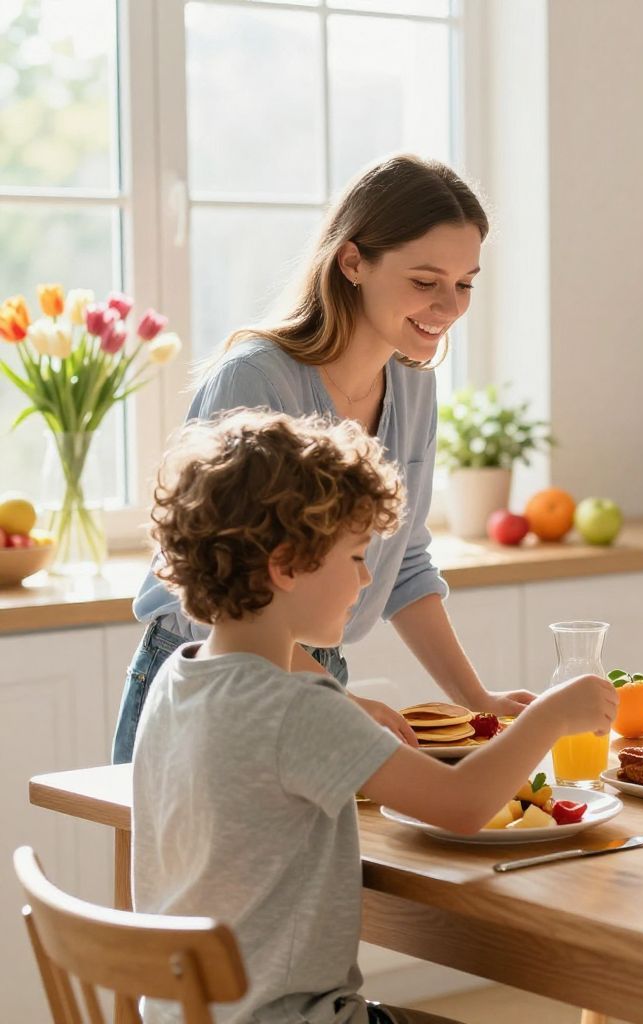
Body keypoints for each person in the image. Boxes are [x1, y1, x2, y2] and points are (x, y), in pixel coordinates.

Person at [133, 410, 617, 1024]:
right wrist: (548, 716)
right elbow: (463, 805)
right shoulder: (294, 708)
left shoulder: (178, 678)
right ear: (286, 565)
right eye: (356, 557)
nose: (366, 580)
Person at [114, 153, 528, 763]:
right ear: (354, 260)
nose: (449, 307)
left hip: (316, 672)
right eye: (425, 281)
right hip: (211, 677)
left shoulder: (414, 386)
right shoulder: (256, 380)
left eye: (464, 283)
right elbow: (202, 583)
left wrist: (478, 699)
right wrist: (325, 697)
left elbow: (404, 564)